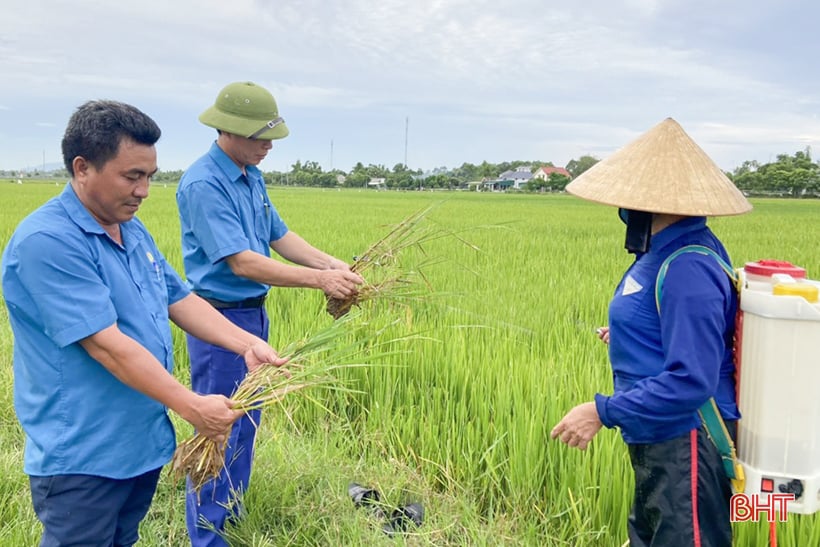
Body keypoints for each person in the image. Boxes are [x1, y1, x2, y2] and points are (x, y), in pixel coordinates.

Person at [1, 100, 287, 547]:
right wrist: (192, 406)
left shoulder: (129, 228)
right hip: (84, 454)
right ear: (82, 168)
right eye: (131, 176)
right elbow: (108, 347)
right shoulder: (48, 242)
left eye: (149, 176)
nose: (144, 190)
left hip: (137, 443)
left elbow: (179, 298)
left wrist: (244, 342)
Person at [176, 81, 363, 546]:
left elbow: (279, 236)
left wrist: (335, 265)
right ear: (230, 131)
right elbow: (242, 261)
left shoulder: (249, 175)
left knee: (246, 422)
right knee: (218, 426)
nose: (268, 146)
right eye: (260, 136)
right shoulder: (204, 183)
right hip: (218, 321)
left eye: (272, 137)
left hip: (253, 316)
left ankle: (231, 517)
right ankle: (207, 535)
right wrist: (320, 281)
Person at [550, 118, 752, 547]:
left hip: (686, 443)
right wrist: (631, 336)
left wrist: (601, 412)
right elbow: (668, 323)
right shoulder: (663, 250)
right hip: (660, 438)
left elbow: (690, 380)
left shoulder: (687, 266)